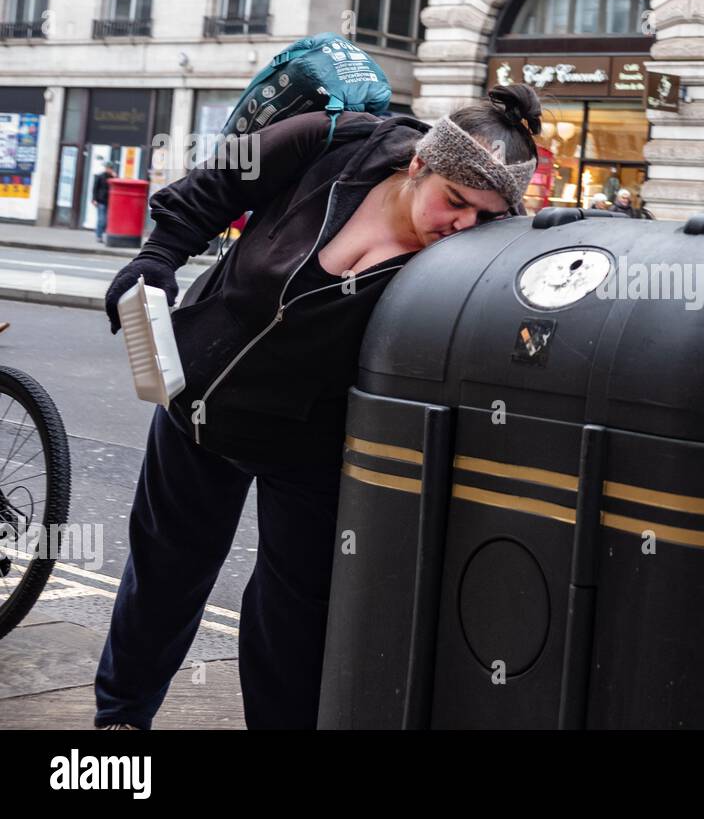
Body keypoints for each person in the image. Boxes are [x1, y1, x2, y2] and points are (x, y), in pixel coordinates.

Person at [94, 84, 542, 730]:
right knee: (166, 571)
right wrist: (157, 258)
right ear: (419, 163)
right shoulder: (336, 141)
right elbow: (220, 183)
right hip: (201, 395)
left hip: (310, 446)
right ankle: (121, 718)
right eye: (455, 200)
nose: (464, 225)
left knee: (294, 620)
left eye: (486, 215)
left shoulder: (471, 258)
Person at [92, 166, 117, 243]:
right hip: (101, 201)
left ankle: (101, 234)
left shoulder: (113, 177)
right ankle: (99, 236)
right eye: (108, 168)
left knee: (107, 220)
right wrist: (94, 199)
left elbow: (117, 186)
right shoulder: (100, 176)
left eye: (110, 168)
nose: (109, 170)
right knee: (101, 220)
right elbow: (95, 188)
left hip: (110, 201)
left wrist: (115, 177)